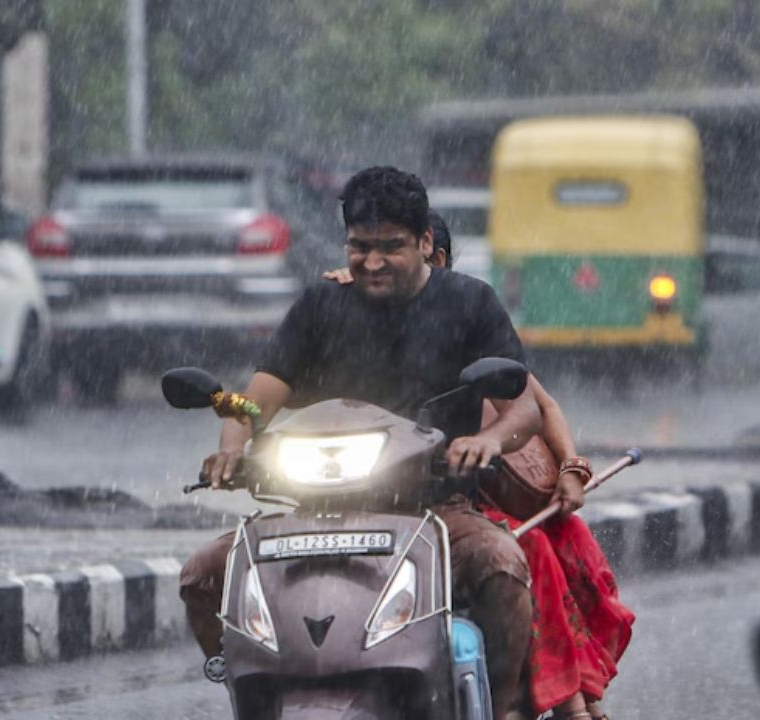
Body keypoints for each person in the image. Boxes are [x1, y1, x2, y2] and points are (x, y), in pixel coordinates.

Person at [179, 167, 541, 720]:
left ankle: (503, 705)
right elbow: (255, 403)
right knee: (201, 577)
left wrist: (486, 441)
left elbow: (526, 408)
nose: (372, 262)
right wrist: (232, 442)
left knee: (503, 566)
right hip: (313, 510)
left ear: (425, 243)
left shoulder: (470, 302)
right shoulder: (321, 305)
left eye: (390, 247)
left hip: (432, 512)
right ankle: (252, 680)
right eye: (359, 246)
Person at [325, 213, 635, 720]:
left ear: (434, 261)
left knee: (555, 538)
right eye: (364, 257)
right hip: (381, 495)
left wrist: (570, 470)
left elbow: (539, 403)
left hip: (468, 497)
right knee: (528, 545)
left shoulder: (463, 318)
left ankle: (558, 700)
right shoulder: (346, 311)